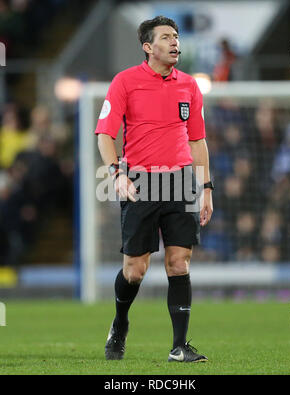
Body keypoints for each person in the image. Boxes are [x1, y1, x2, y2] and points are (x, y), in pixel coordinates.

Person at [95, 16, 213, 363]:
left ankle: (180, 346)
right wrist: (116, 173)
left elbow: (197, 139)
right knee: (135, 270)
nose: (175, 42)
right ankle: (119, 324)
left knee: (180, 262)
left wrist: (206, 186)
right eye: (166, 37)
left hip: (179, 182)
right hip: (140, 182)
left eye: (176, 36)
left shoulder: (189, 85)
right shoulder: (125, 82)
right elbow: (105, 134)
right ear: (148, 47)